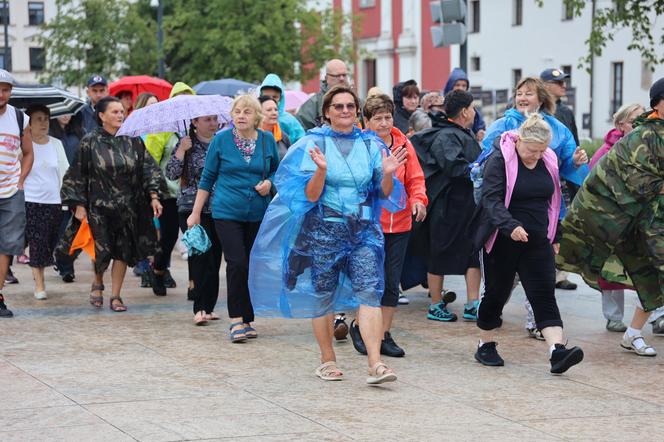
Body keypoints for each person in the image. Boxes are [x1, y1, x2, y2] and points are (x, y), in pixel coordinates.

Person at [249, 85, 407, 384]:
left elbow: (384, 194)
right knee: (322, 296)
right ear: (326, 112)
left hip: (363, 232)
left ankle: (375, 363)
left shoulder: (371, 144)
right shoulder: (314, 144)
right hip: (324, 230)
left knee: (370, 292)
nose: (345, 111)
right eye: (338, 106)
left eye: (350, 106)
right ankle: (327, 359)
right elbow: (308, 195)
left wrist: (387, 173)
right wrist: (321, 170)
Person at [557, 77, 664, 357]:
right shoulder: (643, 136)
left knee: (653, 279)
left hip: (653, 221)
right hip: (640, 222)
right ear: (658, 103)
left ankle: (632, 334)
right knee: (651, 275)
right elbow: (636, 181)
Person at [473, 113, 584, 374]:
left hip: (537, 240)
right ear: (520, 141)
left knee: (544, 293)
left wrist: (555, 234)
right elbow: (491, 199)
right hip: (503, 238)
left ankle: (557, 351)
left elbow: (555, 200)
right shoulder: (500, 158)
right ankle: (485, 344)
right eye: (531, 150)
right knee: (496, 295)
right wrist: (511, 226)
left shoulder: (548, 159)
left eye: (541, 151)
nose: (536, 156)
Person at [480, 77, 589, 338]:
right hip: (505, 225)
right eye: (519, 93)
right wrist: (506, 223)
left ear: (541, 98)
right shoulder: (503, 127)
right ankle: (486, 336)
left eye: (528, 93)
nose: (522, 98)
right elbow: (484, 172)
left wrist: (574, 162)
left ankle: (546, 334)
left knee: (541, 287)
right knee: (498, 290)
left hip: (539, 224)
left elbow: (561, 170)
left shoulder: (556, 130)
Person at [58, 96, 165, 312]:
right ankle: (98, 281)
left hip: (128, 207)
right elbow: (77, 173)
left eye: (121, 111)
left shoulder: (133, 140)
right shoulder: (90, 141)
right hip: (99, 207)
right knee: (102, 250)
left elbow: (148, 168)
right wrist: (79, 204)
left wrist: (154, 195)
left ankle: (116, 296)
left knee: (123, 252)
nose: (120, 115)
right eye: (114, 112)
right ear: (101, 116)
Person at [187, 95, 279, 341]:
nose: (241, 116)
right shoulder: (221, 140)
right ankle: (236, 319)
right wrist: (196, 212)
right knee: (236, 262)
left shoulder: (267, 141)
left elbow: (277, 171)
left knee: (250, 266)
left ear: (256, 116)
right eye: (237, 111)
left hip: (257, 212)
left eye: (247, 112)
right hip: (226, 211)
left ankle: (247, 318)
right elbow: (207, 178)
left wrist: (269, 183)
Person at [348, 93, 427, 358]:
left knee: (392, 283)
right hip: (370, 224)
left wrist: (418, 200)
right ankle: (360, 326)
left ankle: (383, 335)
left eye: (387, 117)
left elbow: (416, 178)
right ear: (366, 121)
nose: (383, 123)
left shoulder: (404, 142)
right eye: (377, 118)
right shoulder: (360, 145)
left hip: (401, 224)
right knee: (370, 282)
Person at [410, 90, 482, 322]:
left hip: (468, 206)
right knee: (438, 253)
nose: (474, 112)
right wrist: (478, 169)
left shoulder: (461, 133)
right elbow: (454, 166)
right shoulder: (445, 136)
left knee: (473, 253)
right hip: (446, 206)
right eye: (472, 108)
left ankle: (473, 303)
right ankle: (435, 304)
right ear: (464, 112)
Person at [588, 103, 650, 332]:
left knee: (649, 268)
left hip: (645, 220)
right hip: (614, 219)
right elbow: (593, 185)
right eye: (635, 120)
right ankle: (614, 316)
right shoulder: (605, 152)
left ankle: (655, 316)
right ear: (620, 125)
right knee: (612, 270)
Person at [166, 115, 223, 325]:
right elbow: (171, 174)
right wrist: (181, 150)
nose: (212, 123)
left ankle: (209, 306)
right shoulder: (186, 144)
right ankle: (198, 307)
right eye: (206, 120)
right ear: (195, 123)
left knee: (216, 257)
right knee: (200, 255)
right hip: (191, 208)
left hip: (218, 207)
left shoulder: (222, 142)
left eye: (214, 119)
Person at [142, 82, 195, 289]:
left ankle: (194, 283)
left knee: (193, 239)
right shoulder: (160, 130)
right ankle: (158, 270)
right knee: (169, 237)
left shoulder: (198, 127)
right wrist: (153, 193)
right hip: (169, 194)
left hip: (192, 193)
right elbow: (150, 162)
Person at [23, 105, 69, 300]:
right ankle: (40, 284)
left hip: (55, 202)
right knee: (37, 242)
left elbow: (65, 172)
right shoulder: (23, 145)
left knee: (49, 242)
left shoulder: (56, 144)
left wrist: (68, 198)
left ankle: (38, 273)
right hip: (30, 201)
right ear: (29, 124)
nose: (43, 123)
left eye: (46, 119)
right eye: (38, 119)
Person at [541, 68, 581, 290]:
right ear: (545, 85)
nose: (564, 86)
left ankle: (559, 273)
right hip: (540, 174)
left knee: (561, 223)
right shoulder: (538, 111)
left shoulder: (566, 112)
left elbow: (573, 142)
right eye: (558, 83)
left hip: (562, 176)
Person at [0, 69, 34, 318]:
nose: (1, 94)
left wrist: (21, 181)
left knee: (7, 246)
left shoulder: (20, 118)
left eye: (5, 89)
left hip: (10, 190)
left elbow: (29, 152)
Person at [50, 113, 85, 283]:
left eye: (69, 113)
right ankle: (66, 268)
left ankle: (65, 260)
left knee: (76, 230)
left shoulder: (80, 134)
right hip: (55, 189)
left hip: (78, 188)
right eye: (61, 113)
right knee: (62, 230)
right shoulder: (50, 135)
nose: (65, 116)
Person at [297, 59, 350, 130]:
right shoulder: (312, 105)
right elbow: (301, 133)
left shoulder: (358, 103)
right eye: (337, 75)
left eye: (344, 75)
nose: (341, 79)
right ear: (326, 78)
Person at [259, 73, 305, 143]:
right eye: (267, 96)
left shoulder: (290, 121)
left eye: (275, 97)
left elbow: (301, 142)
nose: (271, 100)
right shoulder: (253, 118)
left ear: (281, 98)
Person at [443, 68, 486, 141]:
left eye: (464, 85)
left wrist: (480, 130)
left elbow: (479, 123)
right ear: (450, 85)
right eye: (457, 85)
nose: (461, 88)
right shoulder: (441, 103)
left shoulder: (469, 105)